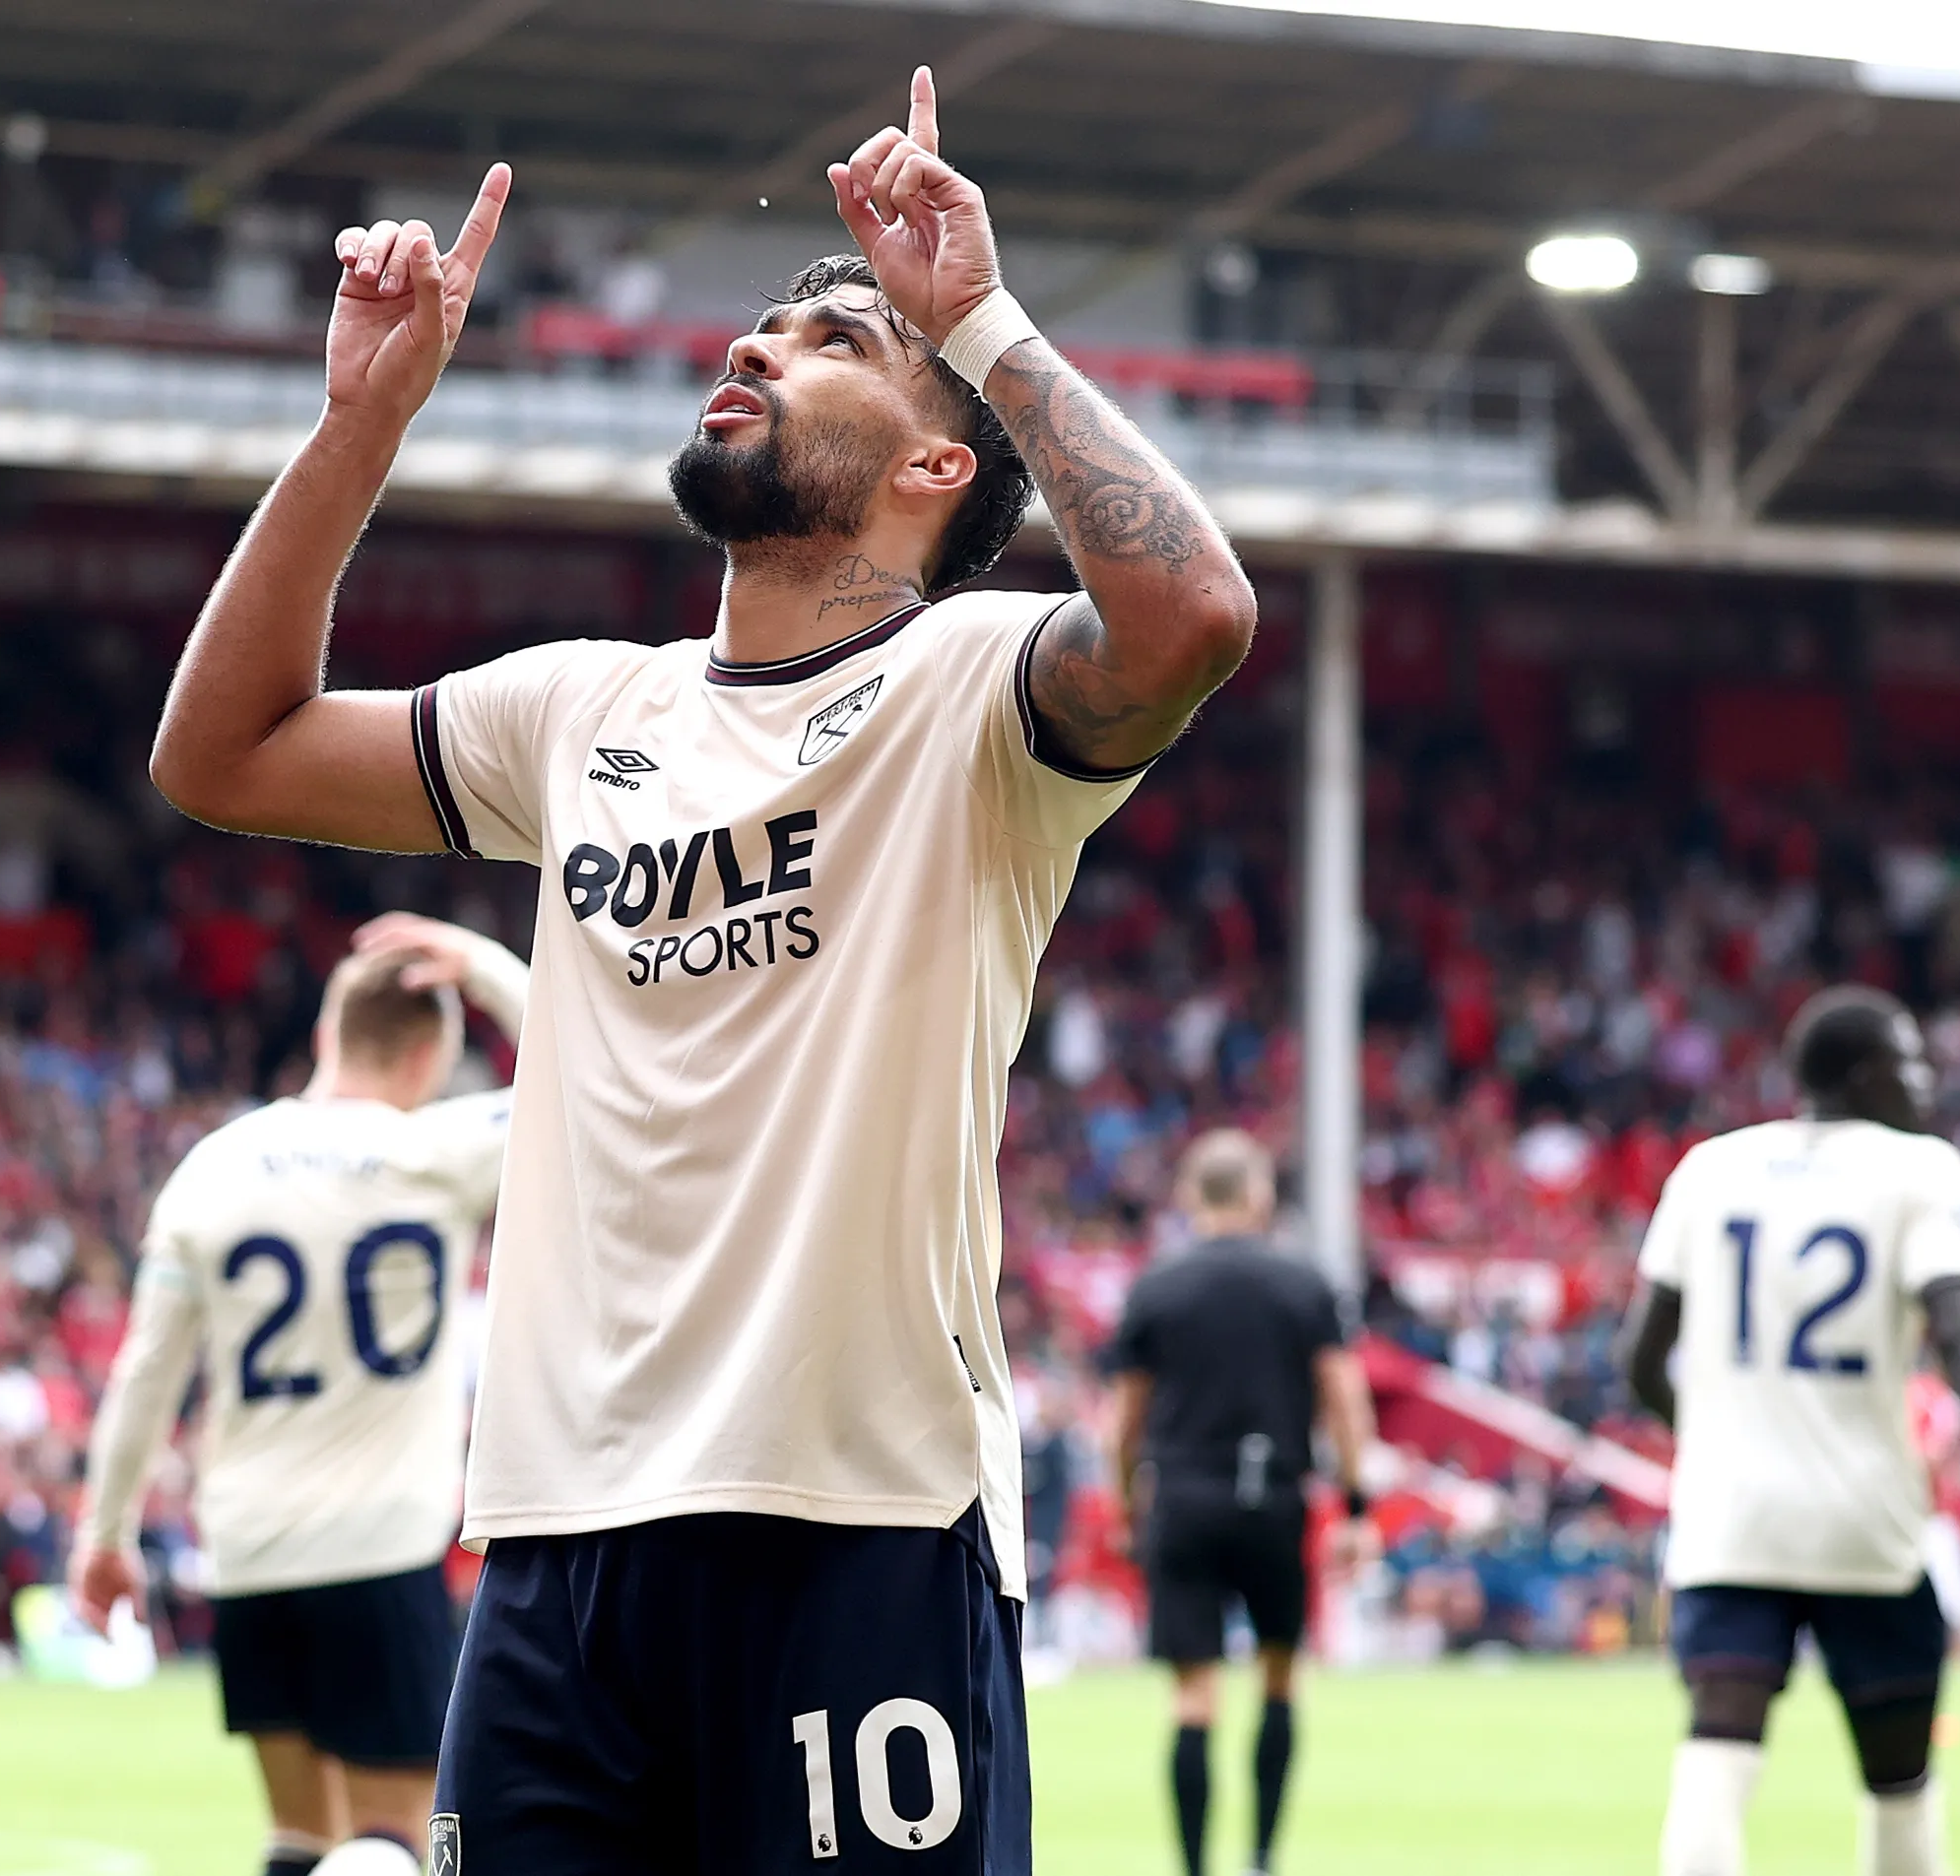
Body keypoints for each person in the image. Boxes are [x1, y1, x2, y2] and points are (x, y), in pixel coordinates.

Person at [145, 64, 1258, 1875]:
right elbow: (219, 760)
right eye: (751, 330)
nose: (750, 350)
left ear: (933, 463)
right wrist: (361, 426)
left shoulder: (972, 688)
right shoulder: (583, 707)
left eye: (824, 340)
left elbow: (1196, 616)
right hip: (557, 1544)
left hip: (856, 1519)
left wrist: (970, 315)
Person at [70, 915, 527, 1876]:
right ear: (427, 1059)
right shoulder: (434, 1151)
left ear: (325, 1037)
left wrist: (102, 1535)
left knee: (296, 1838)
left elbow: (144, 1376)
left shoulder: (210, 1169)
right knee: (395, 1840)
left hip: (246, 1552)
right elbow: (586, 1075)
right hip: (379, 1544)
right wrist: (484, 967)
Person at [1618, 986, 1960, 1876]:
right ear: (1863, 1074)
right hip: (1865, 1523)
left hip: (1734, 1521)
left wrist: (1712, 1441)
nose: (1926, 1081)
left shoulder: (1709, 1166)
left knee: (1715, 1759)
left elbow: (1639, 1356)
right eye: (1908, 1061)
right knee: (1900, 1782)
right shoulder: (1921, 1168)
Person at [1104, 1130, 1376, 1876]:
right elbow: (1345, 1400)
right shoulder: (1303, 1283)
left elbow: (1122, 1421)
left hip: (1183, 1499)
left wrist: (1127, 1507)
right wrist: (1356, 1507)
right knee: (1280, 1674)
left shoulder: (1155, 1287)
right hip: (1273, 1497)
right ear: (1260, 1194)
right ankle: (1260, 1858)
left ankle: (1193, 1867)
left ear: (1192, 1196)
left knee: (1194, 1694)